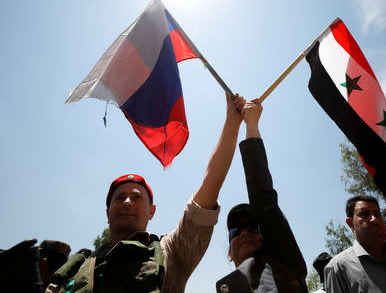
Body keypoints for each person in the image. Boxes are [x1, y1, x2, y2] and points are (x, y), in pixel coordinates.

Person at [46, 93, 246, 293]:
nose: (127, 202)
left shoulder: (171, 252)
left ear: (152, 211)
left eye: (136, 197)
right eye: (119, 198)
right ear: (107, 213)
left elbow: (208, 190)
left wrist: (232, 123)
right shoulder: (79, 268)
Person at [216, 99, 308, 293]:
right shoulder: (227, 288)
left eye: (252, 226)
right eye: (235, 230)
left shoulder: (283, 264)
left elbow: (264, 201)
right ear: (229, 254)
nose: (244, 232)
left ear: (264, 237)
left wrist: (251, 125)